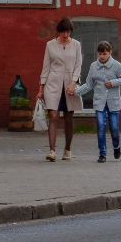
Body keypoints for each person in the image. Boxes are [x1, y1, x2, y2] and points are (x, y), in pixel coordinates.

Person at [76, 40, 121, 162]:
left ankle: (116, 146)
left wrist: (113, 83)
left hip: (113, 101)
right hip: (99, 101)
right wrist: (76, 92)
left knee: (114, 127)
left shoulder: (116, 65)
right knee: (101, 126)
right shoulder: (93, 66)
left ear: (110, 53)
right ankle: (102, 153)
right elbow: (89, 84)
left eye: (104, 54)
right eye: (100, 54)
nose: (102, 56)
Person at [37, 17, 83, 161]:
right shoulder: (50, 45)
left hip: (70, 85)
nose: (65, 35)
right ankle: (52, 151)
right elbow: (45, 68)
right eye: (63, 32)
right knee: (54, 116)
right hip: (53, 84)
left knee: (69, 118)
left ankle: (67, 150)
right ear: (59, 31)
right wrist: (40, 89)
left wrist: (73, 83)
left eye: (68, 32)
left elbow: (78, 66)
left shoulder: (76, 45)